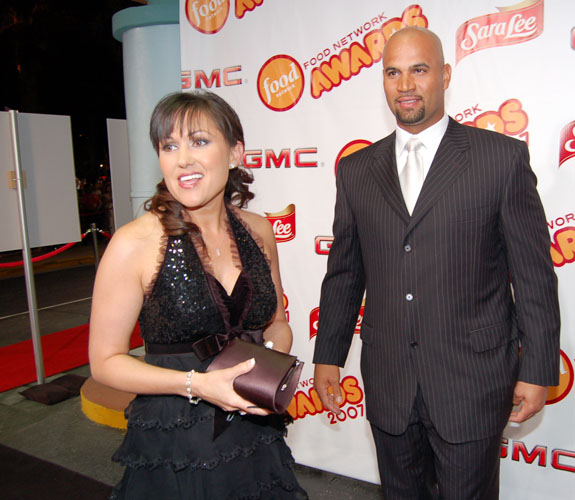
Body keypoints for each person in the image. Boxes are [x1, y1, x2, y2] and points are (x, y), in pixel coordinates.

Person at [313, 26, 560, 499]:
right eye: (393, 73)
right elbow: (345, 273)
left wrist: (538, 368)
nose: (405, 85)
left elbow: (533, 275)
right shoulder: (357, 170)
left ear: (445, 75)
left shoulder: (499, 159)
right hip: (388, 380)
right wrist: (329, 354)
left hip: (472, 381)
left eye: (419, 70)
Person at [89, 91, 308, 499]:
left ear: (235, 152)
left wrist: (269, 368)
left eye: (199, 141)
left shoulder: (259, 231)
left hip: (254, 428)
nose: (182, 159)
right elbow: (104, 363)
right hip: (175, 439)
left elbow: (276, 321)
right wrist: (196, 385)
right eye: (169, 146)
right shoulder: (135, 243)